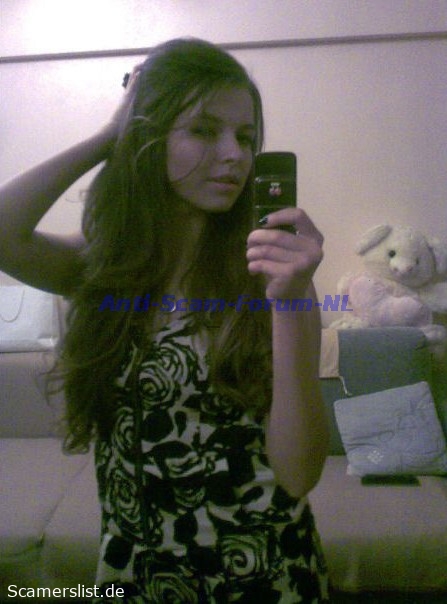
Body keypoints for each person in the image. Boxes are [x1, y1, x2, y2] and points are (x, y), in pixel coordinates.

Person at [0, 38, 330, 603]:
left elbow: (299, 474)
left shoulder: (272, 277)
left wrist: (289, 302)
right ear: (148, 137)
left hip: (261, 577)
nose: (234, 154)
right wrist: (110, 134)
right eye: (203, 130)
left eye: (244, 136)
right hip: (134, 573)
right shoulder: (102, 267)